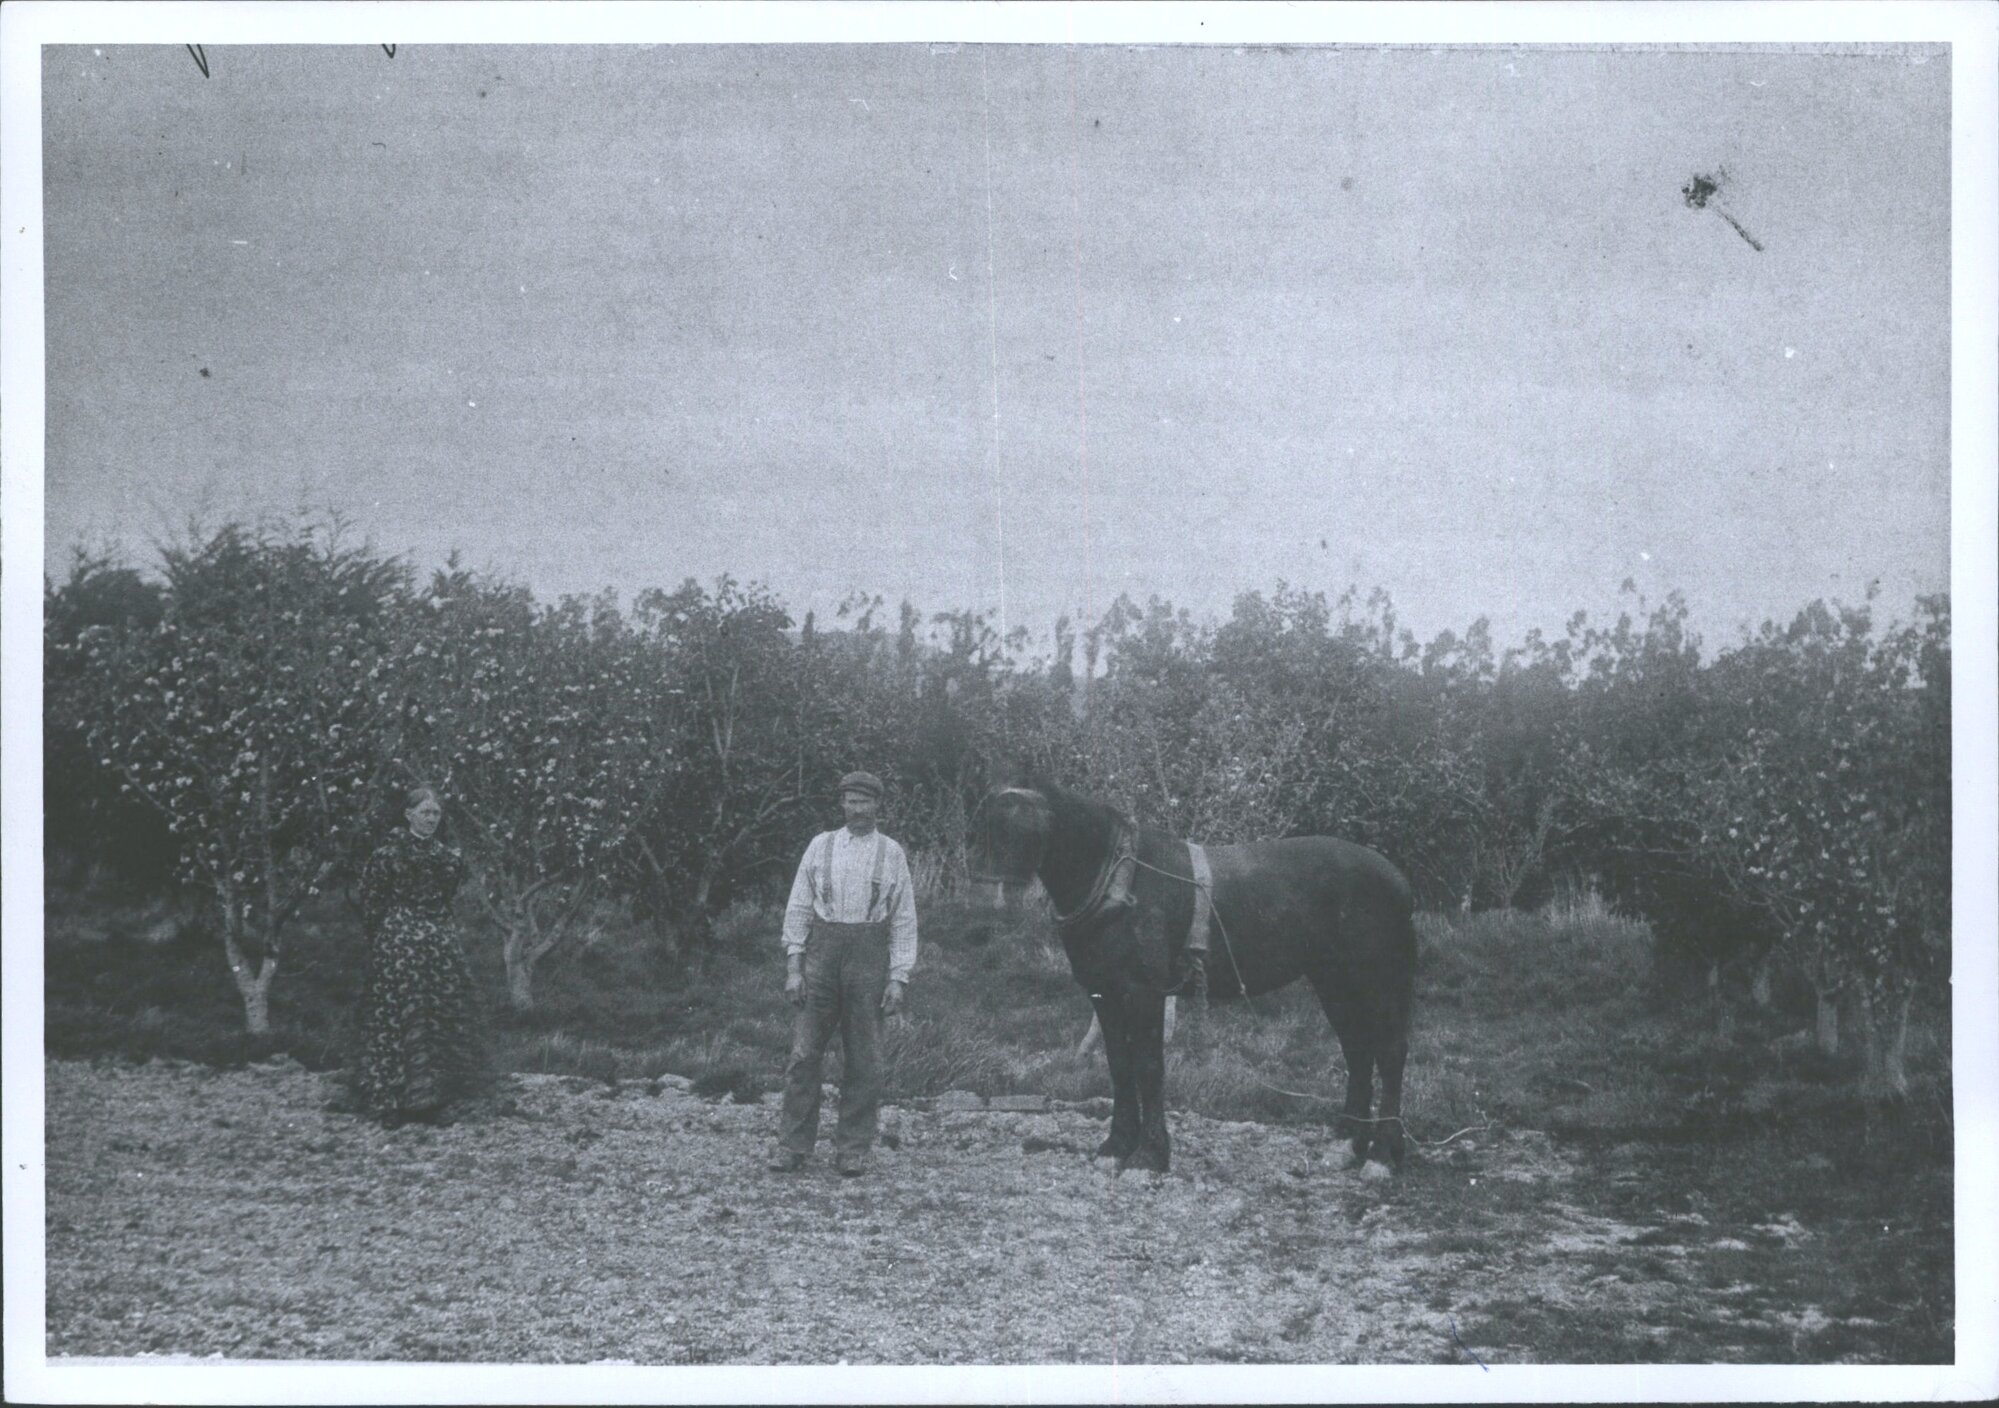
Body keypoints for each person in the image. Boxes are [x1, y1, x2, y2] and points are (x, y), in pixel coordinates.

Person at [769, 771, 919, 1177]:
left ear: (877, 805)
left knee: (865, 1058)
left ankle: (852, 1149)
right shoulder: (821, 846)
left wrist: (898, 976)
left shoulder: (892, 853)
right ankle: (793, 1146)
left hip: (869, 960)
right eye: (851, 801)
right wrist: (794, 967)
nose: (858, 809)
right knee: (803, 1054)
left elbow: (903, 919)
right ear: (842, 804)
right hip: (822, 957)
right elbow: (799, 907)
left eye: (865, 802)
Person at [350, 785, 489, 1128]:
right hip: (399, 939)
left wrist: (434, 931)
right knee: (397, 1015)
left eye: (436, 813)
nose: (431, 819)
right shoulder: (387, 855)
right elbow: (371, 900)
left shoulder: (448, 858)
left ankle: (432, 1099)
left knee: (441, 1013)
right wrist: (388, 935)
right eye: (425, 812)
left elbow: (446, 899)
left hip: (438, 940)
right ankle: (389, 1097)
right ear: (408, 814)